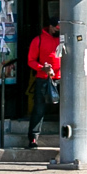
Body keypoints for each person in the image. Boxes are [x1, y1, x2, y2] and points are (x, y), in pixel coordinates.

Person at [26, 19, 63, 147]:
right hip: (43, 78)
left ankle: (66, 136)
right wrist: (42, 68)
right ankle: (33, 138)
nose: (59, 29)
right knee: (39, 108)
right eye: (57, 27)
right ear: (51, 27)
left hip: (61, 79)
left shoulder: (63, 39)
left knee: (66, 108)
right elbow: (30, 60)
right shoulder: (39, 40)